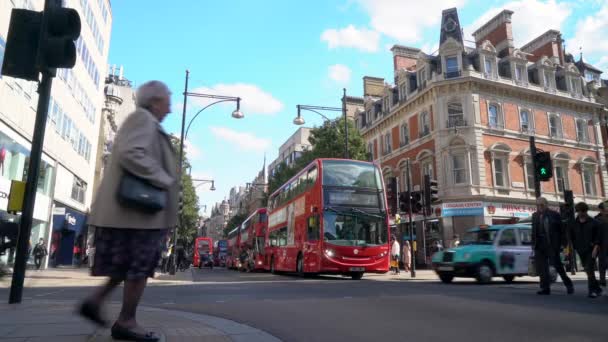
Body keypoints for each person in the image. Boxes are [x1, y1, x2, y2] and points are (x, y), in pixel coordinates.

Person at [78, 81, 178, 342]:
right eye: (168, 101)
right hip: (135, 213)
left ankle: (96, 301)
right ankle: (127, 321)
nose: (170, 108)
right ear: (155, 101)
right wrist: (163, 178)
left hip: (131, 213)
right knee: (139, 268)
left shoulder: (145, 121)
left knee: (127, 266)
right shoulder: (142, 119)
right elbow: (130, 153)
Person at [531, 197, 573, 295]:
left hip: (551, 244)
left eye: (541, 205)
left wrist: (563, 244)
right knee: (542, 267)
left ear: (546, 205)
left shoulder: (554, 215)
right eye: (538, 205)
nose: (539, 207)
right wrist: (533, 243)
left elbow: (562, 231)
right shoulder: (535, 215)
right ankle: (545, 288)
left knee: (557, 265)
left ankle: (568, 284)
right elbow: (534, 231)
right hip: (539, 244)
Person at [571, 202, 602, 298]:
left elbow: (598, 237)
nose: (580, 214)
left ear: (585, 211)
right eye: (578, 212)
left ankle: (592, 291)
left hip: (591, 249)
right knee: (587, 270)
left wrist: (595, 248)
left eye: (582, 212)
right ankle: (597, 288)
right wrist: (573, 246)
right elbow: (571, 236)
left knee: (590, 269)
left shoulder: (594, 222)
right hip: (580, 249)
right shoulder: (574, 223)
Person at [596, 201, 608, 287]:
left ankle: (602, 279)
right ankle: (602, 280)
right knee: (602, 263)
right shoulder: (597, 219)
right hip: (602, 244)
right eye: (604, 209)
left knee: (603, 263)